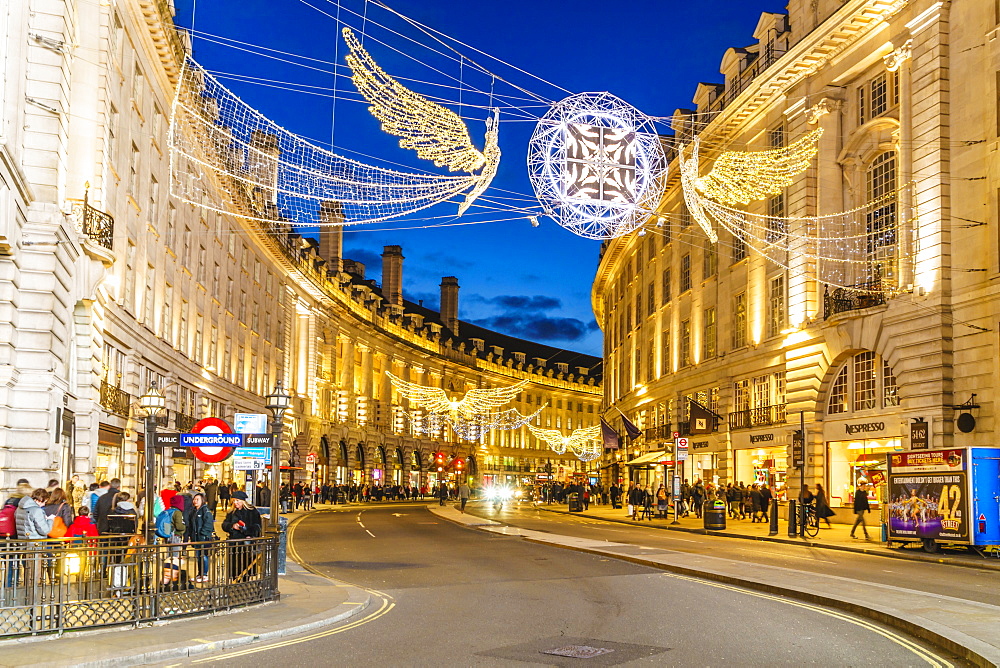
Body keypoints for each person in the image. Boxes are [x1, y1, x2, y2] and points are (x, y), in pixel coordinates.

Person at [222, 491, 262, 582]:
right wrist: (232, 526)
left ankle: (244, 583)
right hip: (234, 543)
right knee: (235, 566)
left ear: (243, 501)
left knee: (246, 565)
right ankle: (236, 582)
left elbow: (257, 526)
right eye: (234, 501)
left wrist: (248, 532)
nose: (235, 503)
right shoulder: (232, 512)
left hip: (246, 544)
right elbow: (224, 524)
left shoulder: (252, 511)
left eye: (237, 501)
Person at [186, 493, 214, 582]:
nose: (195, 501)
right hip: (196, 538)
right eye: (194, 499)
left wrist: (203, 534)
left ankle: (204, 574)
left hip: (203, 538)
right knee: (198, 556)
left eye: (197, 499)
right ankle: (200, 574)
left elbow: (208, 524)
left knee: (204, 556)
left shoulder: (205, 511)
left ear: (202, 500)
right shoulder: (193, 511)